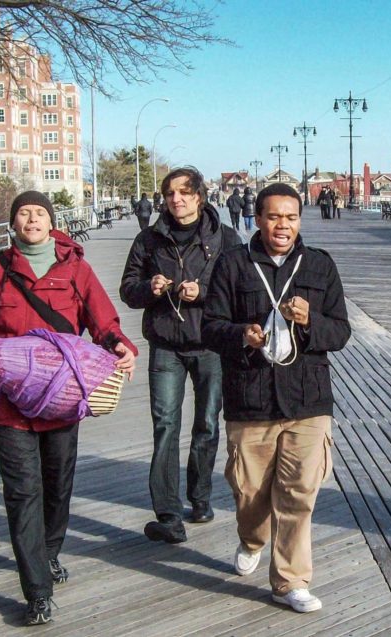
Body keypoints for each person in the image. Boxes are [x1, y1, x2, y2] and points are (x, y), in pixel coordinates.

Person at [0, 191, 137, 626]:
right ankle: (37, 591)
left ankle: (49, 553)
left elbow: (103, 321)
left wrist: (120, 346)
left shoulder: (75, 268)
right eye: (23, 213)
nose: (31, 218)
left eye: (39, 212)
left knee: (57, 485)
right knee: (22, 493)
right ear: (13, 223)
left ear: (51, 222)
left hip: (63, 399)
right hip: (10, 404)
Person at [202, 182, 351, 613]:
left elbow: (340, 332)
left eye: (290, 217)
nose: (282, 225)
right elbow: (210, 326)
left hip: (307, 398)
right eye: (273, 216)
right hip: (250, 398)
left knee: (299, 493)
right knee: (250, 492)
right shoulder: (234, 265)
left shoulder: (319, 266)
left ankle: (290, 582)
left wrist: (311, 321)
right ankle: (251, 538)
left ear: (299, 220)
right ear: (259, 217)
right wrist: (240, 335)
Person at [120, 167, 242, 544]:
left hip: (210, 344)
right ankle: (168, 513)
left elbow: (241, 288)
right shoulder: (149, 240)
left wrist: (203, 291)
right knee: (165, 426)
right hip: (166, 346)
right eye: (170, 193)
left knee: (207, 424)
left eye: (185, 192)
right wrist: (150, 287)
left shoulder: (226, 238)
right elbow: (127, 289)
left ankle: (200, 497)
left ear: (200, 197)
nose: (177, 199)